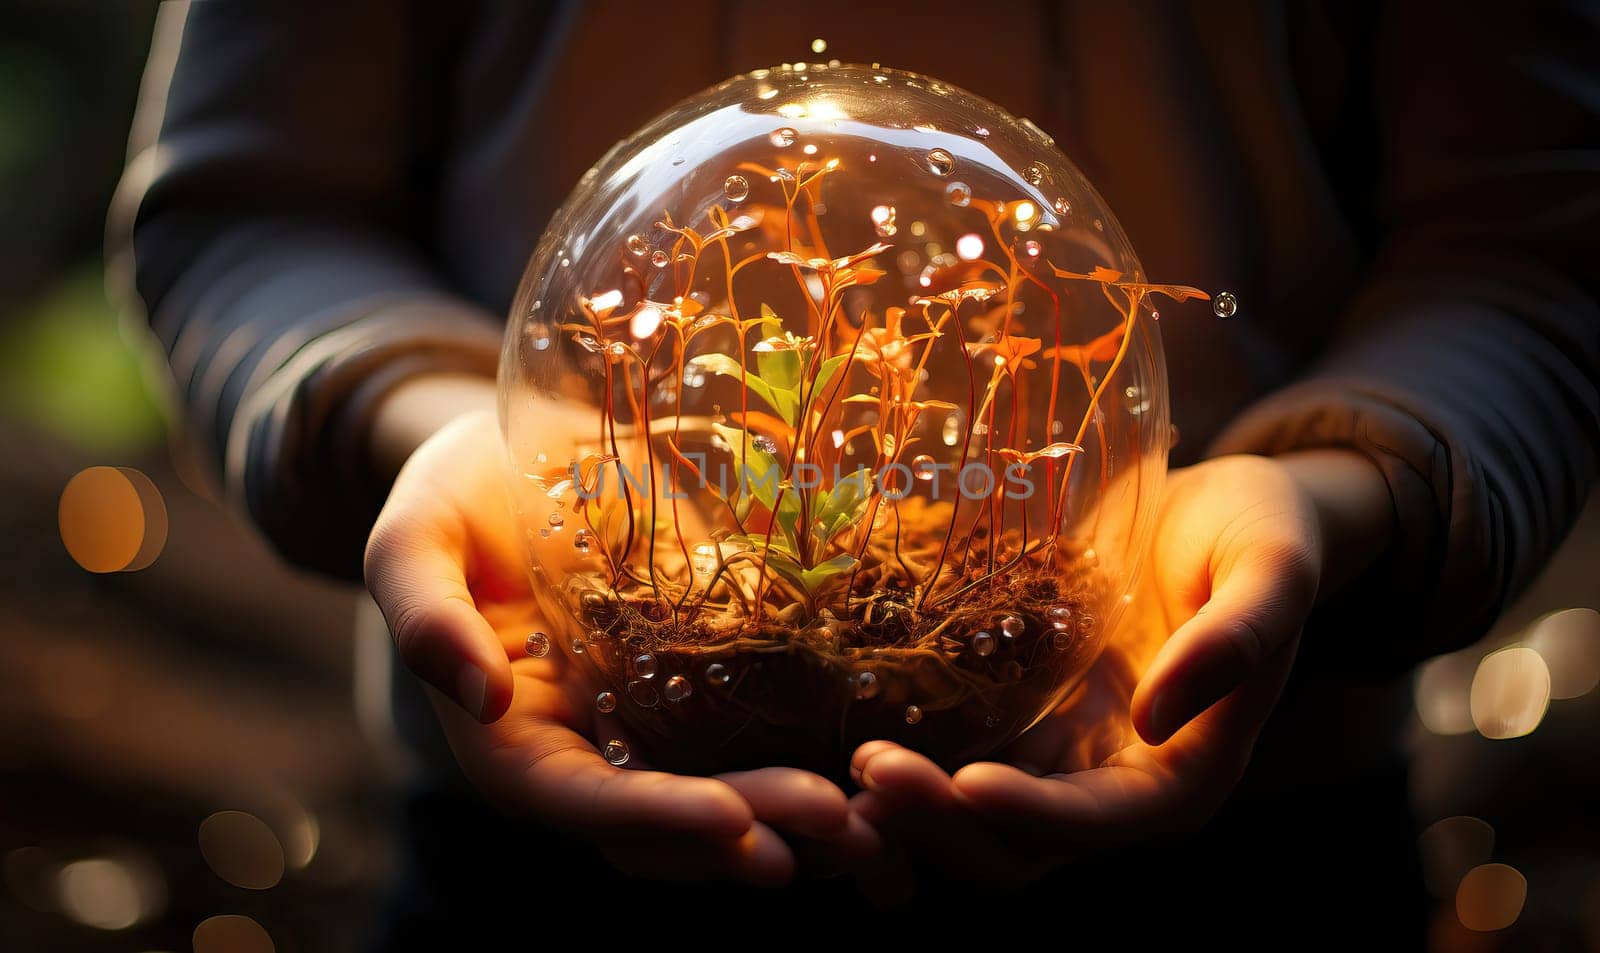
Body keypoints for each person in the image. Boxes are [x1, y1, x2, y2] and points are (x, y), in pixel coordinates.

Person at [109, 0, 1597, 941]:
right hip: (531, 824)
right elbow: (249, 207)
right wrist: (436, 425)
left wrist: (1341, 503)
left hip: (1255, 826)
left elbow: (1537, 250)